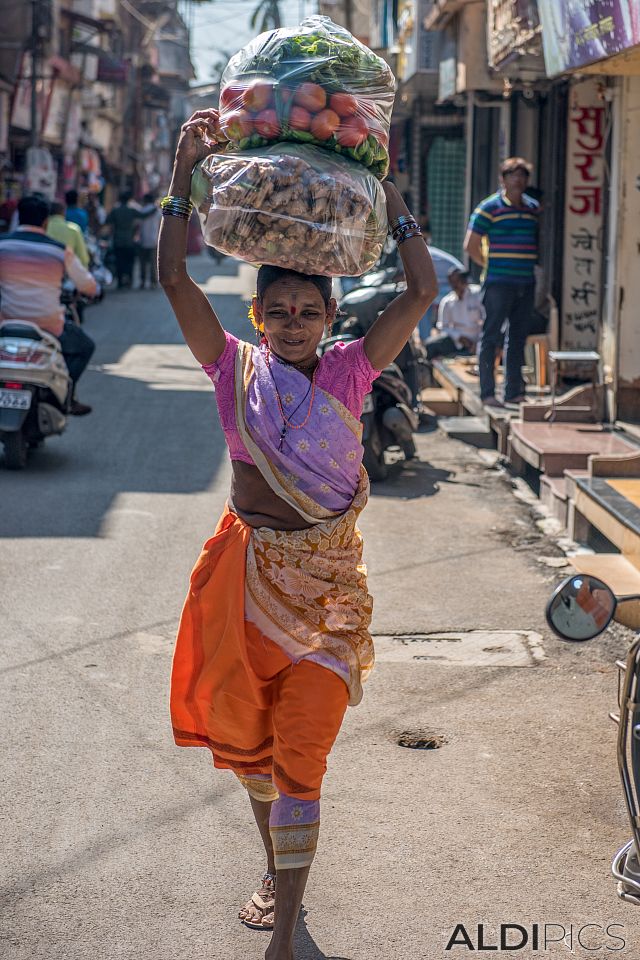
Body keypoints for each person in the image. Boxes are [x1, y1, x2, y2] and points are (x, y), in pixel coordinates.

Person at [159, 109, 437, 960]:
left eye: (306, 311)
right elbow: (175, 281)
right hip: (247, 588)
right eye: (276, 310)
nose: (290, 323)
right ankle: (273, 871)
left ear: (328, 316)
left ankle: (286, 929)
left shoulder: (355, 368)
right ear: (258, 313)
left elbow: (421, 292)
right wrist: (183, 174)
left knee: (302, 757)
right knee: (252, 752)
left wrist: (393, 198)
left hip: (327, 597)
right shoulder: (233, 368)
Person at [0, 195, 97, 415]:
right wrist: (94, 290)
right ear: (46, 222)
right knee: (85, 347)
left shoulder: (2, 244)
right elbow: (88, 285)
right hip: (49, 327)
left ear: (18, 217)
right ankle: (67, 396)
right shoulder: (59, 250)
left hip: (6, 323)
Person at [464, 157, 540, 408]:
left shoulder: (532, 208)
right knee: (491, 336)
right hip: (498, 282)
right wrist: (489, 265)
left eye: (522, 176)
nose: (517, 180)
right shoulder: (489, 208)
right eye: (512, 175)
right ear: (503, 179)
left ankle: (513, 393)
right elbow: (471, 245)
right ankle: (487, 393)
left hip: (525, 282)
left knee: (518, 337)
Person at [425, 267, 485, 361]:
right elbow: (443, 326)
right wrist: (459, 337)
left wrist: (478, 342)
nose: (456, 284)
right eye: (453, 282)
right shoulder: (447, 301)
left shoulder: (478, 295)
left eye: (458, 281)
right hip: (456, 340)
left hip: (478, 338)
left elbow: (486, 320)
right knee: (431, 345)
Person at [104, 192, 153, 289]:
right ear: (128, 200)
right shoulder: (131, 210)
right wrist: (155, 208)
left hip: (118, 240)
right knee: (130, 262)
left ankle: (120, 282)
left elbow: (107, 221)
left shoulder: (115, 210)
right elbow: (143, 215)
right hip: (129, 240)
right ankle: (129, 281)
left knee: (119, 262)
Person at [47, 200, 90, 268]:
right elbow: (83, 259)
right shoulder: (74, 229)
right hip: (67, 272)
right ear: (63, 212)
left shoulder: (43, 227)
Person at [136, 193, 161, 289]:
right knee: (153, 263)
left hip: (143, 240)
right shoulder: (158, 211)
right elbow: (160, 226)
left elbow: (138, 226)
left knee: (142, 263)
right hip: (154, 240)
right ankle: (153, 283)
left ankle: (142, 282)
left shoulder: (141, 211)